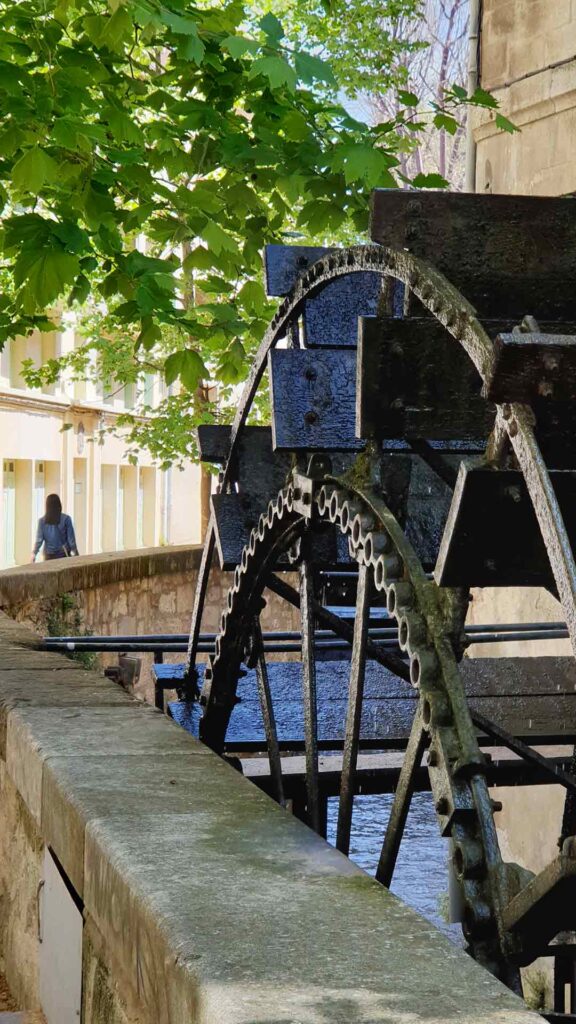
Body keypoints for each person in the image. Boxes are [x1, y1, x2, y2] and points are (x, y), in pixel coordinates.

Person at [31, 494, 79, 562]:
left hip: (49, 556)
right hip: (63, 555)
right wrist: (76, 553)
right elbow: (71, 540)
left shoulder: (41, 521)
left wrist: (34, 553)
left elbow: (39, 540)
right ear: (59, 505)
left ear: (47, 506)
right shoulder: (66, 519)